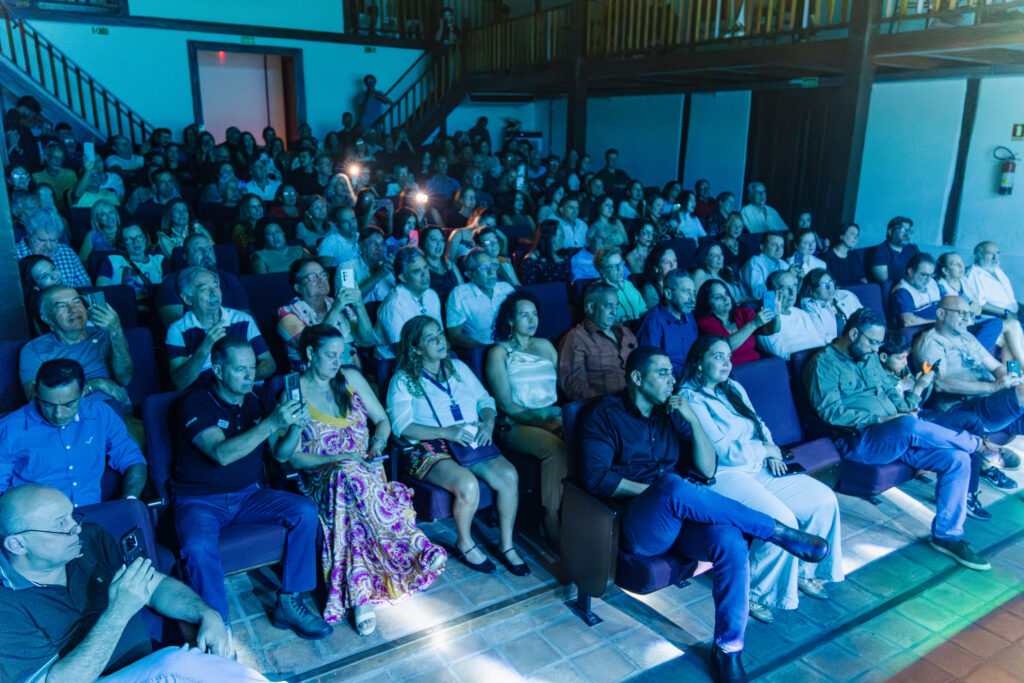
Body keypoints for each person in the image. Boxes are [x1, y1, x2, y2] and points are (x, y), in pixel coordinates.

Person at [581, 347, 829, 682]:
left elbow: (708, 467)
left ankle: (728, 649)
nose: (672, 380)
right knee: (671, 485)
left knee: (729, 541)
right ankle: (777, 531)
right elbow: (596, 478)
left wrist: (693, 419)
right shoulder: (605, 415)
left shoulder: (670, 412)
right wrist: (656, 493)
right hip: (637, 526)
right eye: (663, 373)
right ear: (637, 378)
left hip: (680, 517)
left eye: (672, 372)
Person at [270, 325, 445, 635]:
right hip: (323, 480)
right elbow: (293, 458)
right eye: (330, 355)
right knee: (346, 475)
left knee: (353, 480)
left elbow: (382, 421)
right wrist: (337, 461)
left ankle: (360, 597)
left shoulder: (350, 378)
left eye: (343, 354)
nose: (338, 361)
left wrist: (377, 444)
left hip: (367, 475)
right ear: (310, 354)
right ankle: (414, 545)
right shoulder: (293, 391)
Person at [0, 485, 269, 682]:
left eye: (72, 516)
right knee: (175, 664)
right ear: (17, 543)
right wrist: (118, 611)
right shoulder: (6, 607)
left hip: (145, 666)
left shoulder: (89, 538)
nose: (77, 528)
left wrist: (205, 613)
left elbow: (151, 583)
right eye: (62, 525)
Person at [170, 336, 332, 638]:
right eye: (241, 369)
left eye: (253, 368)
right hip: (199, 501)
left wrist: (295, 425)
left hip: (248, 495)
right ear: (218, 371)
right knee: (197, 547)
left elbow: (281, 454)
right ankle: (219, 630)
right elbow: (221, 454)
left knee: (305, 511)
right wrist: (270, 423)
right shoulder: (193, 402)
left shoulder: (257, 400)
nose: (250, 376)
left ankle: (289, 602)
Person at [804, 308, 990, 570]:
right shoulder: (823, 363)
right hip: (860, 441)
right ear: (854, 333)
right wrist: (881, 421)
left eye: (879, 343)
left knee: (957, 459)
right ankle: (979, 445)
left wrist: (908, 403)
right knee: (910, 426)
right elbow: (831, 412)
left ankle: (948, 536)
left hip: (898, 434)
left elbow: (891, 395)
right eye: (871, 341)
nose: (875, 349)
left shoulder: (868, 358)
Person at [679, 337, 843, 624]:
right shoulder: (691, 397)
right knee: (782, 521)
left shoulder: (733, 387)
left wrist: (772, 450)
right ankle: (754, 590)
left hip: (758, 465)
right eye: (717, 356)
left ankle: (806, 570)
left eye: (728, 356)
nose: (726, 362)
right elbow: (721, 452)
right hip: (723, 476)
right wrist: (763, 450)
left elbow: (760, 424)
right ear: (698, 362)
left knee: (824, 500)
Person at [387, 316, 528, 576]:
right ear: (416, 348)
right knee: (467, 484)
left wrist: (487, 423)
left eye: (439, 334)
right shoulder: (403, 379)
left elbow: (485, 400)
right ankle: (465, 542)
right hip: (427, 446)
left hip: (468, 438)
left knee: (508, 475)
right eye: (431, 338)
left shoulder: (458, 368)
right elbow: (402, 426)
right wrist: (446, 432)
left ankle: (507, 545)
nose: (440, 340)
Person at [879, 331, 1010, 518]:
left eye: (906, 358)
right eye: (900, 359)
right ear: (884, 357)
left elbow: (919, 401)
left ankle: (978, 474)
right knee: (963, 442)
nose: (904, 363)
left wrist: (925, 381)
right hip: (909, 424)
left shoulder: (902, 372)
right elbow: (903, 414)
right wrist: (918, 387)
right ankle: (977, 471)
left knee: (973, 421)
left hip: (922, 415)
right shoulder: (880, 380)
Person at [0, 359, 146, 506]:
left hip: (92, 515)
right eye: (48, 404)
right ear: (35, 389)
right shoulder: (9, 428)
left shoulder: (100, 414)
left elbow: (133, 461)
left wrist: (130, 503)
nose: (58, 414)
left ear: (83, 392)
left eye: (69, 404)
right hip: (35, 523)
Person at [486, 292, 567, 543]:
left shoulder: (545, 346)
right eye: (524, 314)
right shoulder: (499, 352)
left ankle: (579, 511)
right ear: (510, 320)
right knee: (556, 448)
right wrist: (543, 422)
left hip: (553, 414)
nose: (532, 319)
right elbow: (505, 404)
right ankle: (550, 516)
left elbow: (563, 388)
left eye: (534, 314)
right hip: (517, 422)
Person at [913, 295, 1024, 455]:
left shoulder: (966, 337)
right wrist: (992, 387)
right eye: (961, 313)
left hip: (989, 402)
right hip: (963, 407)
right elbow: (940, 383)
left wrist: (1011, 379)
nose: (967, 318)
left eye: (969, 314)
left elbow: (995, 366)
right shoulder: (931, 343)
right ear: (941, 314)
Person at [20, 285, 133, 412]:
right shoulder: (34, 349)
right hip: (64, 417)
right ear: (47, 318)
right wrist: (95, 384)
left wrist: (115, 331)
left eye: (77, 302)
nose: (73, 309)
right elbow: (36, 401)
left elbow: (125, 378)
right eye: (61, 306)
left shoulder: (107, 335)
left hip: (110, 409)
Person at [167, 267, 275, 389]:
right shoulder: (178, 330)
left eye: (216, 286)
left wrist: (237, 383)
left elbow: (268, 364)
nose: (214, 292)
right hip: (207, 396)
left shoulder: (243, 320)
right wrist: (205, 348)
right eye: (204, 289)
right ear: (187, 298)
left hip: (248, 389)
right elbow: (180, 382)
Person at [276, 258, 373, 370]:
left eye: (323, 275)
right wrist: (335, 309)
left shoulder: (339, 305)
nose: (321, 280)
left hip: (351, 373)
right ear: (298, 288)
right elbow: (312, 347)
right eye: (312, 277)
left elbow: (367, 341)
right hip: (313, 379)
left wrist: (359, 304)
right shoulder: (287, 313)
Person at [938, 250, 1023, 361]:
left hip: (972, 321)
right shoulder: (941, 286)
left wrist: (969, 308)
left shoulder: (964, 282)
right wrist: (970, 308)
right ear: (945, 270)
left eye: (962, 263)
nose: (962, 267)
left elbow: (978, 308)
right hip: (960, 327)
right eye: (956, 264)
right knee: (1012, 327)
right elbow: (954, 312)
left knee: (1009, 336)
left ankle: (1014, 374)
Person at [559, 282, 638, 401]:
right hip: (607, 407)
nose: (614, 311)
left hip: (639, 400)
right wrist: (608, 404)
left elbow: (643, 366)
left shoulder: (626, 332)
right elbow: (574, 386)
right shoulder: (576, 338)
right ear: (590, 308)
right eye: (608, 306)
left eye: (616, 306)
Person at [154, 234, 250, 328]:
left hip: (233, 337)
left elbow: (245, 317)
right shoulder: (170, 284)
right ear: (185, 256)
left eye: (209, 249)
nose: (206, 253)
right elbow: (175, 326)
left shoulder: (229, 278)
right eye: (199, 250)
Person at [695, 280, 777, 366]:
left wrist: (776, 315)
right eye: (718, 297)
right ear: (707, 303)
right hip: (732, 372)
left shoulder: (742, 313)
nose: (725, 298)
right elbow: (725, 347)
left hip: (756, 364)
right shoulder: (705, 323)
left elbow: (770, 330)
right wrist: (753, 324)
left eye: (726, 294)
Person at [445, 248, 515, 349]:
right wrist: (487, 350)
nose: (491, 272)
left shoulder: (507, 289)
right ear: (470, 274)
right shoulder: (459, 295)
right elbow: (455, 336)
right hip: (481, 353)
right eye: (483, 268)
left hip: (511, 347)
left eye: (493, 265)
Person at [637, 270, 699, 376]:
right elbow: (652, 364)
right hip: (670, 380)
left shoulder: (688, 315)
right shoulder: (654, 321)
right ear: (668, 294)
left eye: (693, 292)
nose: (692, 298)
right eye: (686, 292)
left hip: (691, 376)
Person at [759, 271, 831, 361]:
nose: (792, 292)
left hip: (821, 359)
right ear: (772, 292)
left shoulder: (802, 313)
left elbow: (819, 342)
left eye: (794, 286)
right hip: (801, 365)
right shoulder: (764, 318)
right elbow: (780, 354)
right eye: (785, 288)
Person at [16, 209, 91, 288]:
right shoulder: (14, 256)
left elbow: (86, 286)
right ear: (29, 236)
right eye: (42, 240)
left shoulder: (67, 253)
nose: (48, 246)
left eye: (53, 240)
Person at [95, 224, 167, 306]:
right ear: (122, 243)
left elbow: (169, 292)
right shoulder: (112, 260)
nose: (136, 242)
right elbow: (99, 293)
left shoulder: (159, 260)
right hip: (120, 309)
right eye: (129, 239)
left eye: (139, 237)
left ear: (145, 238)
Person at [797, 268, 862, 342]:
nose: (830, 287)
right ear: (812, 291)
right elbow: (822, 337)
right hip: (838, 347)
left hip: (860, 340)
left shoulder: (846, 295)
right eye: (824, 285)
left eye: (831, 282)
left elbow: (865, 318)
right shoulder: (810, 307)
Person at [964, 240, 1023, 322]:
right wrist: (1006, 313)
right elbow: (979, 304)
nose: (995, 257)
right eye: (989, 253)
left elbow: (1008, 298)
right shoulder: (973, 274)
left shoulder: (998, 270)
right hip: (997, 319)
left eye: (998, 253)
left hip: (1015, 315)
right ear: (978, 256)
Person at [595, 245, 645, 322]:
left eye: (620, 264)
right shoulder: (597, 292)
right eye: (614, 266)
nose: (619, 269)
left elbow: (644, 311)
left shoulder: (628, 284)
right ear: (602, 270)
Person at [518, 218, 572, 285]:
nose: (563, 239)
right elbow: (529, 287)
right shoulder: (533, 260)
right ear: (551, 238)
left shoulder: (564, 257)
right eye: (561, 236)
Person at [421, 224, 465, 302]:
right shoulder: (420, 267)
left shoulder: (450, 265)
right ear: (424, 242)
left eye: (441, 240)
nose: (439, 244)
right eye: (434, 240)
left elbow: (463, 290)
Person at [868, 216, 919, 284]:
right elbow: (883, 281)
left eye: (909, 231)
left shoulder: (913, 248)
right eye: (903, 230)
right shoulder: (880, 251)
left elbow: (923, 268)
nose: (907, 235)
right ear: (890, 231)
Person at [739, 233, 787, 302]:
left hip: (778, 302)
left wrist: (800, 279)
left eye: (781, 246)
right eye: (773, 245)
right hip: (757, 306)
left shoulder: (782, 263)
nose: (778, 249)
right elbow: (758, 294)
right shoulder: (755, 261)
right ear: (762, 247)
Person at [77, 199, 120, 265]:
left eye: (111, 212)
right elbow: (81, 261)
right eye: (103, 214)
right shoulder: (92, 235)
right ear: (97, 219)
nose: (109, 216)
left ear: (116, 214)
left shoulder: (126, 232)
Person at [825, 223, 867, 287]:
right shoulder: (828, 257)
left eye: (857, 235)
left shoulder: (855, 256)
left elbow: (862, 278)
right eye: (852, 234)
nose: (856, 238)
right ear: (841, 235)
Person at [639, 244, 679, 310]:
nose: (673, 266)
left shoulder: (679, 282)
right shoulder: (649, 290)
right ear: (656, 268)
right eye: (667, 263)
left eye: (675, 261)